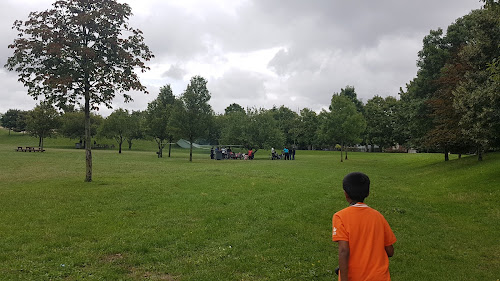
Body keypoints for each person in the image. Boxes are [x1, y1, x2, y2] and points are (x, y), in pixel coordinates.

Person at [332, 172, 396, 281]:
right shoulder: (378, 216)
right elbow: (390, 251)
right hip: (380, 277)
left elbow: (343, 250)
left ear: (346, 194)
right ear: (368, 193)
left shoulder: (340, 217)